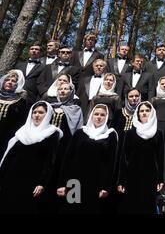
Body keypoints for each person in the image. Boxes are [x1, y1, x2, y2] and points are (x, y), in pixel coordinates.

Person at [0, 101, 62, 213]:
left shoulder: (52, 133)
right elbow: (9, 156)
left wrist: (42, 183)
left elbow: (50, 160)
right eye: (34, 112)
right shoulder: (22, 132)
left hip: (32, 180)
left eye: (41, 112)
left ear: (47, 115)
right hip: (12, 178)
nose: (37, 115)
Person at [57, 104, 118, 213]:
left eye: (102, 115)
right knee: (71, 208)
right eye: (96, 114)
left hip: (96, 182)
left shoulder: (111, 135)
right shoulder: (81, 132)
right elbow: (68, 158)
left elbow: (110, 163)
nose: (99, 117)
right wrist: (62, 183)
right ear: (91, 115)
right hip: (74, 180)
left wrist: (105, 186)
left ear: (107, 117)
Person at [39, 82, 83, 213]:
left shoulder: (76, 109)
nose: (63, 91)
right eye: (60, 89)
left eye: (66, 89)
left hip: (66, 147)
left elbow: (78, 130)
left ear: (72, 92)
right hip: (48, 146)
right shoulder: (49, 107)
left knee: (63, 176)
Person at [117, 101, 164, 214]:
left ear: (152, 113)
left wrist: (160, 179)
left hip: (150, 175)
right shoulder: (130, 133)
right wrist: (121, 180)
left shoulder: (158, 134)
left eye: (147, 111)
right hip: (132, 175)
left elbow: (160, 157)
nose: (144, 113)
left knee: (148, 206)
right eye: (141, 111)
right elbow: (124, 158)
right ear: (137, 114)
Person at [0, 70, 28, 158]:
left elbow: (21, 121)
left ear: (17, 84)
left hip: (7, 135)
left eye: (13, 81)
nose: (9, 82)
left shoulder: (21, 101)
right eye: (7, 80)